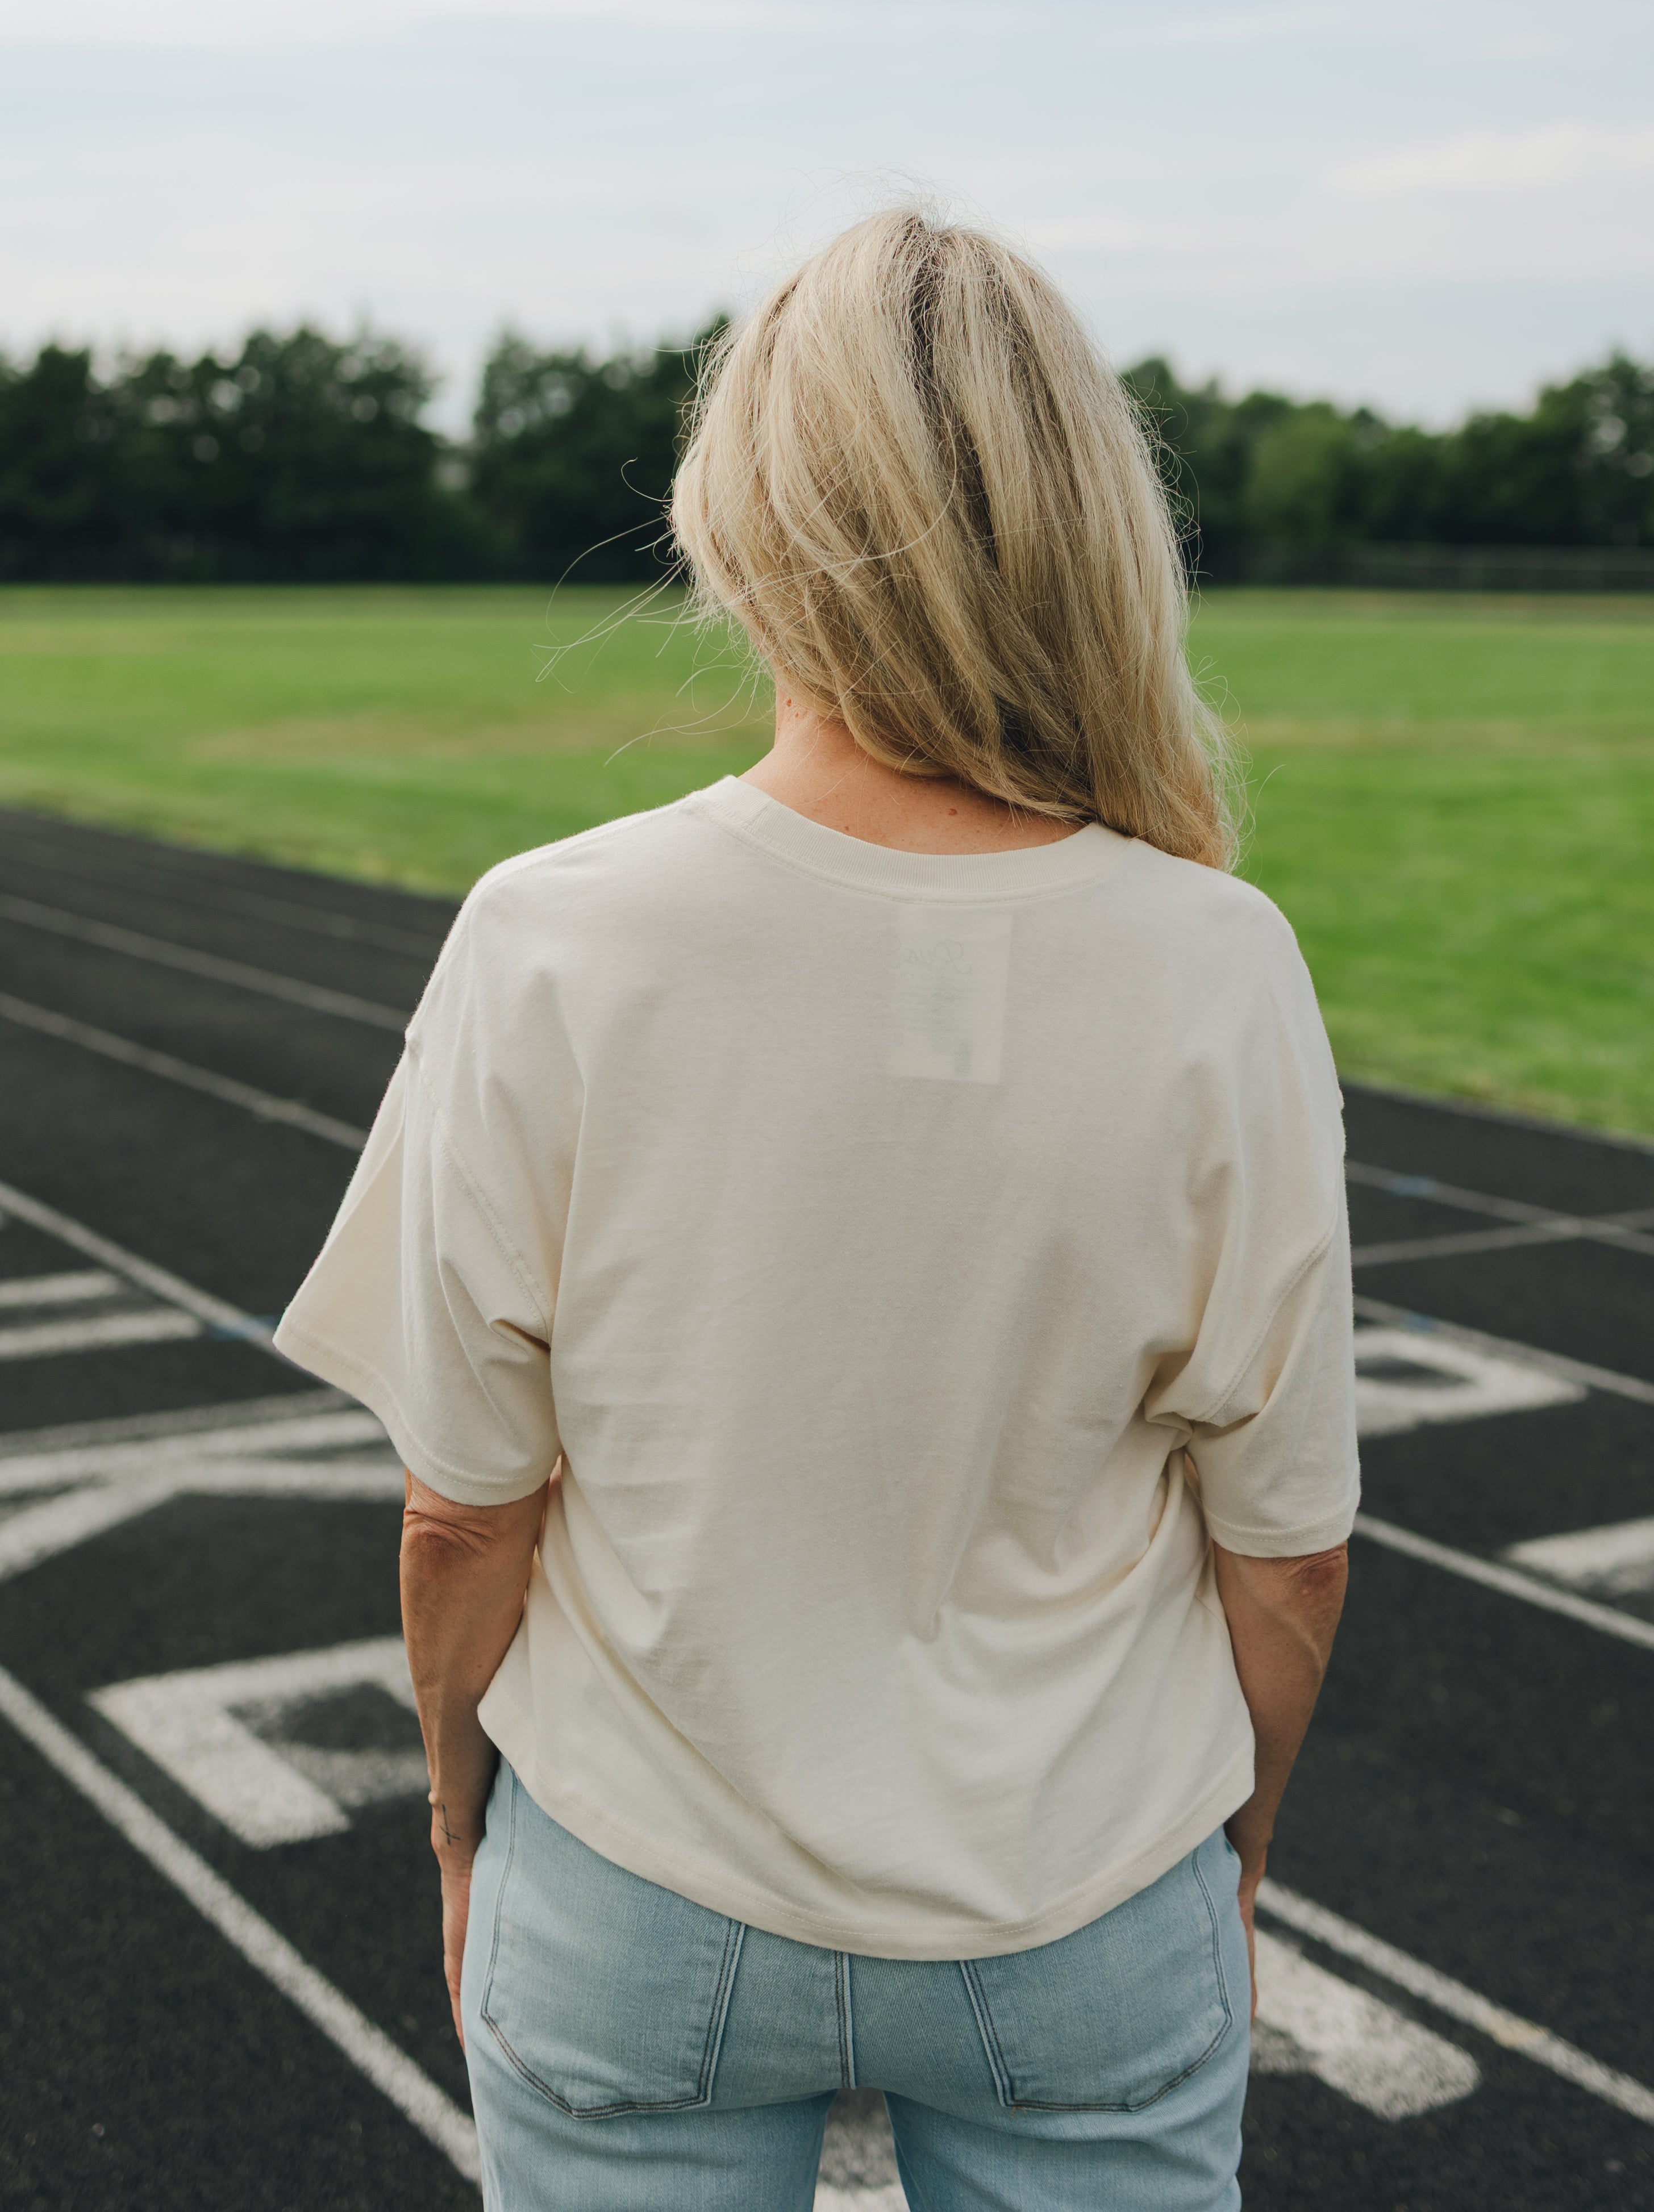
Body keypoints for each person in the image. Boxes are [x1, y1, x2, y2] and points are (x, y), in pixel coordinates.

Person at [274, 208, 1356, 2212]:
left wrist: (454, 1821)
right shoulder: (1222, 960)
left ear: (743, 526)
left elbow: (463, 1512)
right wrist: (1239, 1852)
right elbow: (1285, 1559)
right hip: (1082, 1897)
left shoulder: (554, 937)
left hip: (635, 1887)